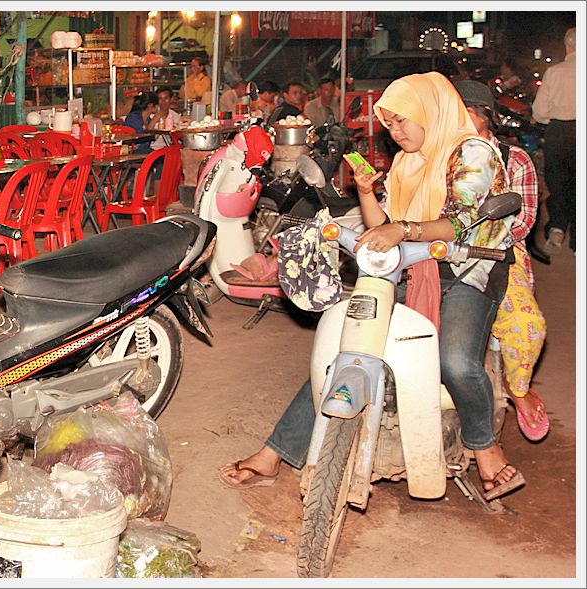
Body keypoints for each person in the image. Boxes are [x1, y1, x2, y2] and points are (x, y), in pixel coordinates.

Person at [220, 71, 525, 502]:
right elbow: (382, 225)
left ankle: (484, 446)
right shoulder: (406, 162)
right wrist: (365, 193)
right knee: (348, 348)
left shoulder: (472, 151)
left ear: (428, 111)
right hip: (411, 267)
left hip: (469, 268)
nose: (395, 132)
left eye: (402, 120)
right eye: (390, 124)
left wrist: (402, 229)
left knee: (455, 361)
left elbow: (460, 221)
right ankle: (277, 452)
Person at [455, 79, 550, 442]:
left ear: (484, 116)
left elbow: (522, 222)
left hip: (497, 253)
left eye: (462, 113)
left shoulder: (515, 159)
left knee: (526, 325)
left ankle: (518, 386)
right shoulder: (435, 155)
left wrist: (473, 239)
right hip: (438, 251)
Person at [532, 27, 576, 254]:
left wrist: (550, 118)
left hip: (558, 132)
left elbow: (539, 111)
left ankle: (557, 229)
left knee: (558, 182)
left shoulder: (554, 72)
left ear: (567, 46)